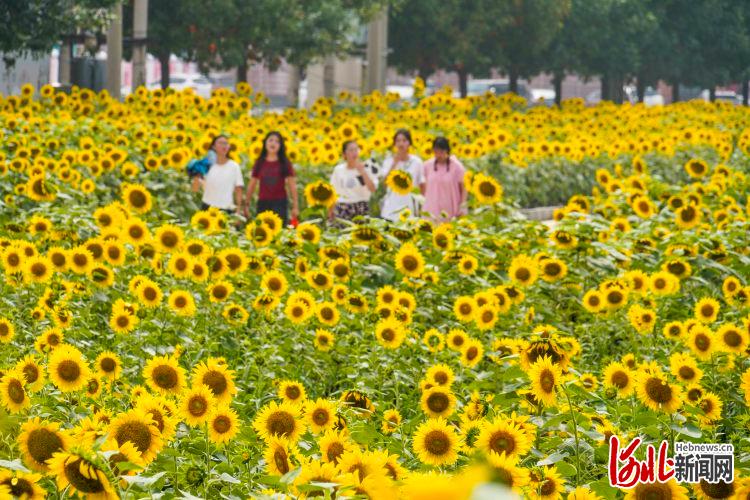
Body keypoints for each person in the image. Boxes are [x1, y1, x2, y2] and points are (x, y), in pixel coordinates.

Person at [245, 131, 299, 226]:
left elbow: (292, 186)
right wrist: (246, 204)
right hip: (263, 202)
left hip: (280, 203)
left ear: (280, 146)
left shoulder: (285, 163)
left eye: (277, 141)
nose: (273, 143)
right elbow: (252, 184)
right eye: (270, 140)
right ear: (265, 143)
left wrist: (295, 206)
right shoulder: (259, 162)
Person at [191, 135, 244, 215]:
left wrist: (238, 211)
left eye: (226, 143)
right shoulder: (206, 165)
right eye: (221, 143)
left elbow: (238, 190)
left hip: (226, 209)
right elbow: (195, 189)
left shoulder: (234, 166)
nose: (224, 145)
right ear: (214, 147)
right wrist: (196, 174)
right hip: (207, 207)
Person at [379, 129, 424, 221]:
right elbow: (384, 184)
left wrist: (421, 206)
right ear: (394, 144)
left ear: (409, 143)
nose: (401, 144)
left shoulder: (417, 162)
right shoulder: (388, 161)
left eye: (404, 140)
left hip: (410, 206)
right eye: (398, 141)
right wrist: (394, 163)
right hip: (391, 207)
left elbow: (422, 184)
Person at [329, 140, 378, 222]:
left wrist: (362, 172)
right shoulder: (338, 170)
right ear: (344, 154)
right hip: (342, 208)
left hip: (361, 207)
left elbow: (372, 189)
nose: (354, 153)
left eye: (356, 149)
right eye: (351, 150)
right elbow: (333, 192)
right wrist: (330, 211)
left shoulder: (367, 168)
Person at [422, 137, 467, 223]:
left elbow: (464, 187)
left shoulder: (457, 167)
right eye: (436, 152)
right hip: (431, 207)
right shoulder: (427, 165)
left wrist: (463, 205)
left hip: (450, 207)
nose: (439, 155)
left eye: (442, 152)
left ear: (447, 151)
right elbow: (422, 185)